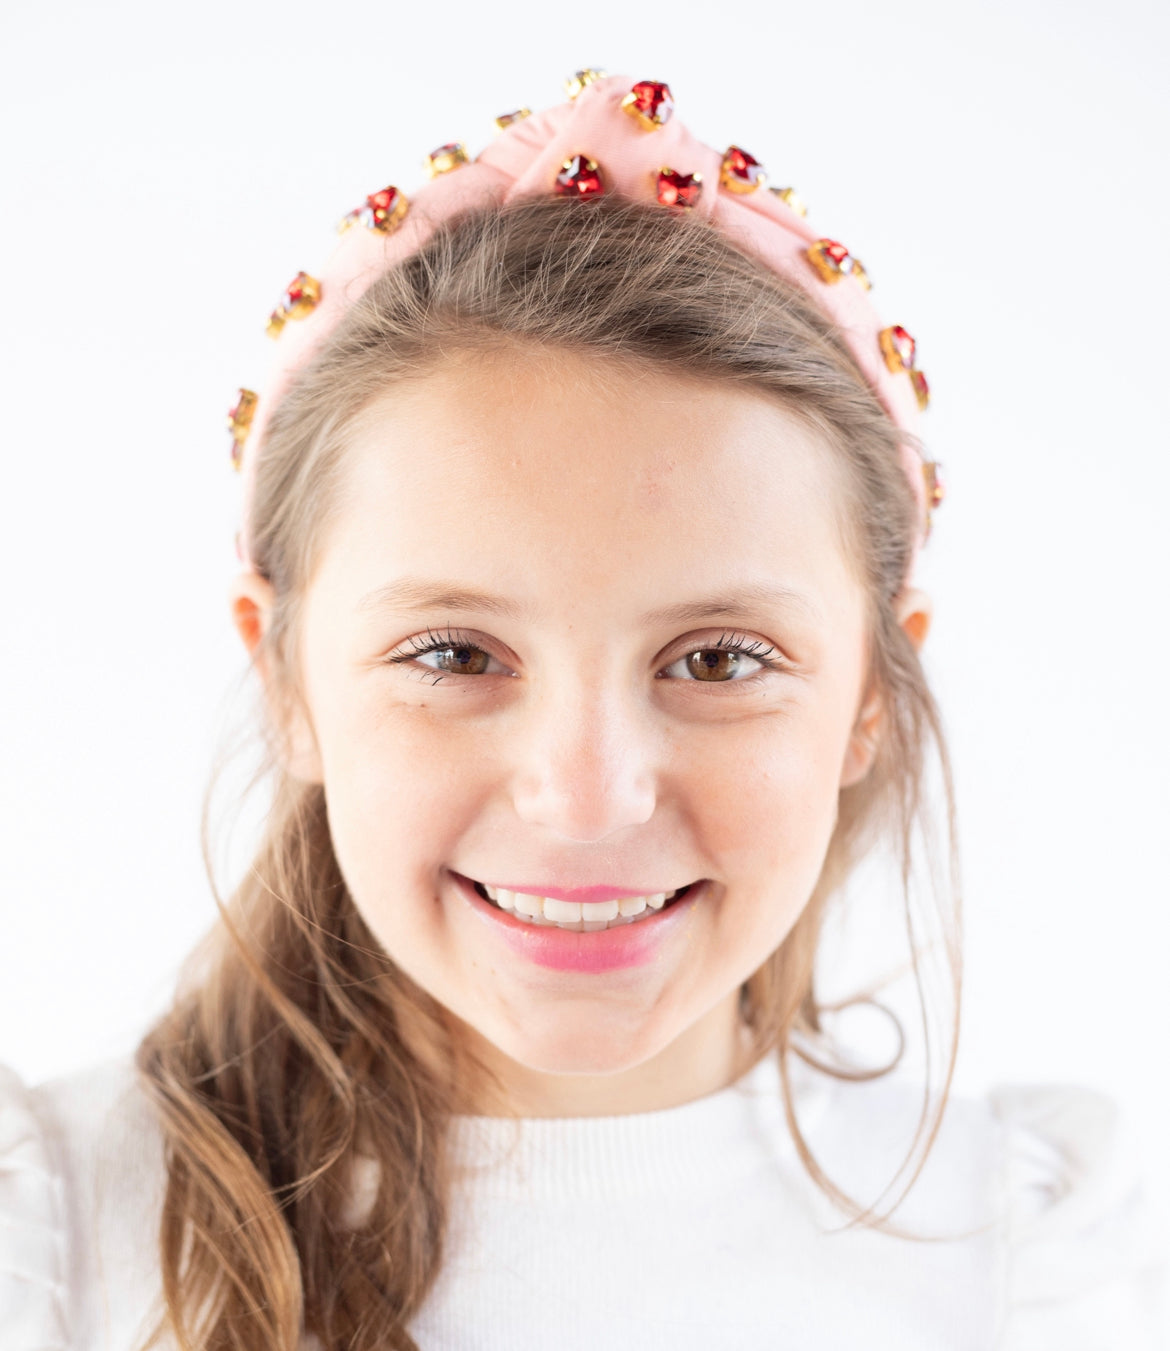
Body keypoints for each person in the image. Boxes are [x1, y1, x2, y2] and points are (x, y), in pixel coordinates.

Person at [0, 71, 1164, 1351]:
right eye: (454, 653)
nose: (589, 794)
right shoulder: (53, 1246)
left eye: (717, 661)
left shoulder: (1022, 1266)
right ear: (287, 684)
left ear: (869, 697)